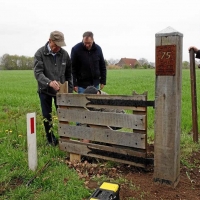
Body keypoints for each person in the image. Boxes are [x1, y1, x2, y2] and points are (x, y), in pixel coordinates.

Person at [34, 30, 73, 146]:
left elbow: (69, 73)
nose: (58, 48)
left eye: (60, 45)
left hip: (60, 92)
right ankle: (51, 140)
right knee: (47, 116)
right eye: (56, 45)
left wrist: (69, 91)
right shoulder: (40, 53)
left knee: (63, 115)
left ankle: (65, 138)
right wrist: (49, 82)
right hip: (44, 90)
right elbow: (38, 73)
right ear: (50, 41)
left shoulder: (65, 54)